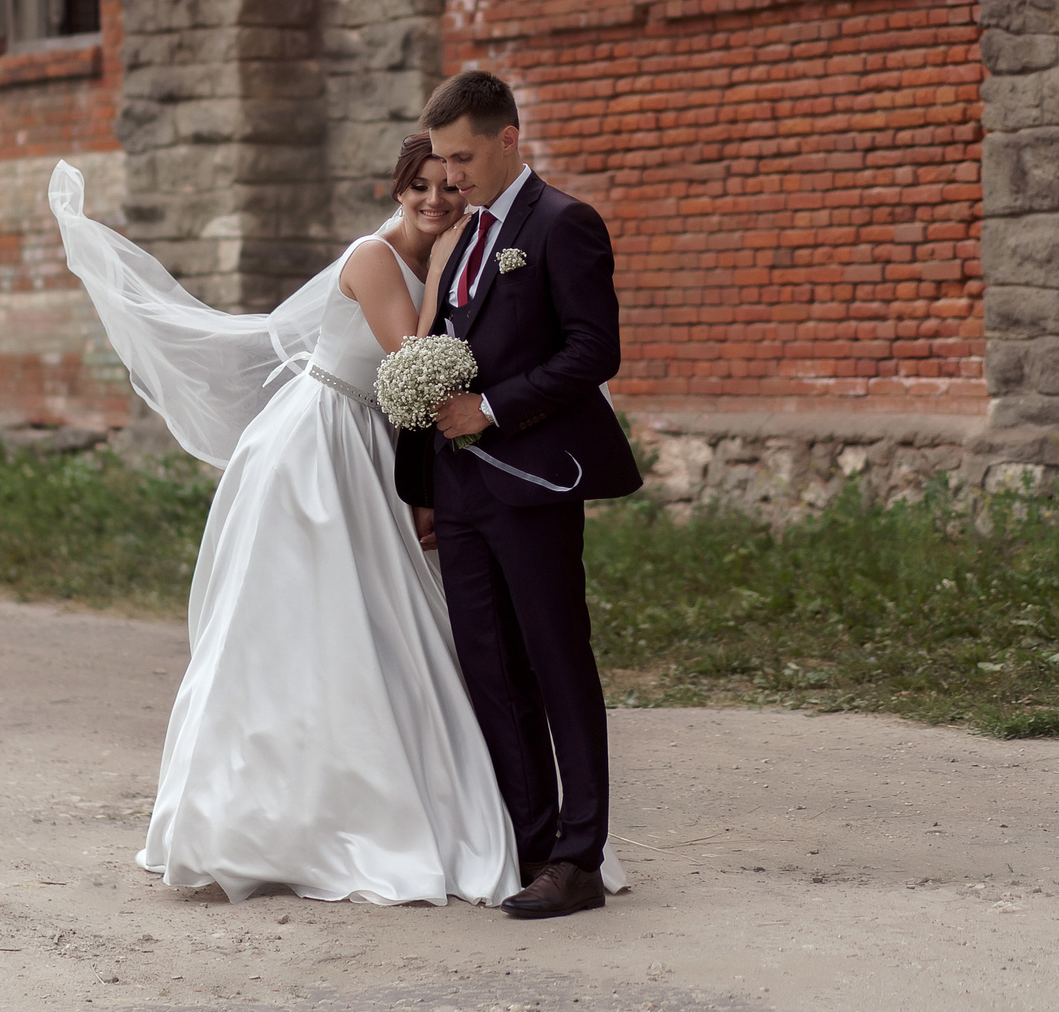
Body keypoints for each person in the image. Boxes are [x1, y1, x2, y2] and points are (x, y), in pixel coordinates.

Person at [49, 137, 626, 906]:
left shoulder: (463, 256)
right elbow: (421, 360)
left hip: (383, 447)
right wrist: (445, 270)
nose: (435, 200)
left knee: (393, 628)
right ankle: (267, 815)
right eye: (418, 187)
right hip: (322, 445)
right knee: (306, 624)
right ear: (397, 191)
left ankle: (487, 815)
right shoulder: (374, 258)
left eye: (448, 187)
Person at [396, 70, 644, 920]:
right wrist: (427, 476)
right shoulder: (461, 234)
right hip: (460, 487)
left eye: (464, 158)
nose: (451, 175)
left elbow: (594, 350)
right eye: (442, 160)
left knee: (556, 659)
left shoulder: (563, 222)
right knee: (489, 666)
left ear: (509, 139)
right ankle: (531, 843)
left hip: (536, 482)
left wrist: (493, 408)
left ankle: (580, 856)